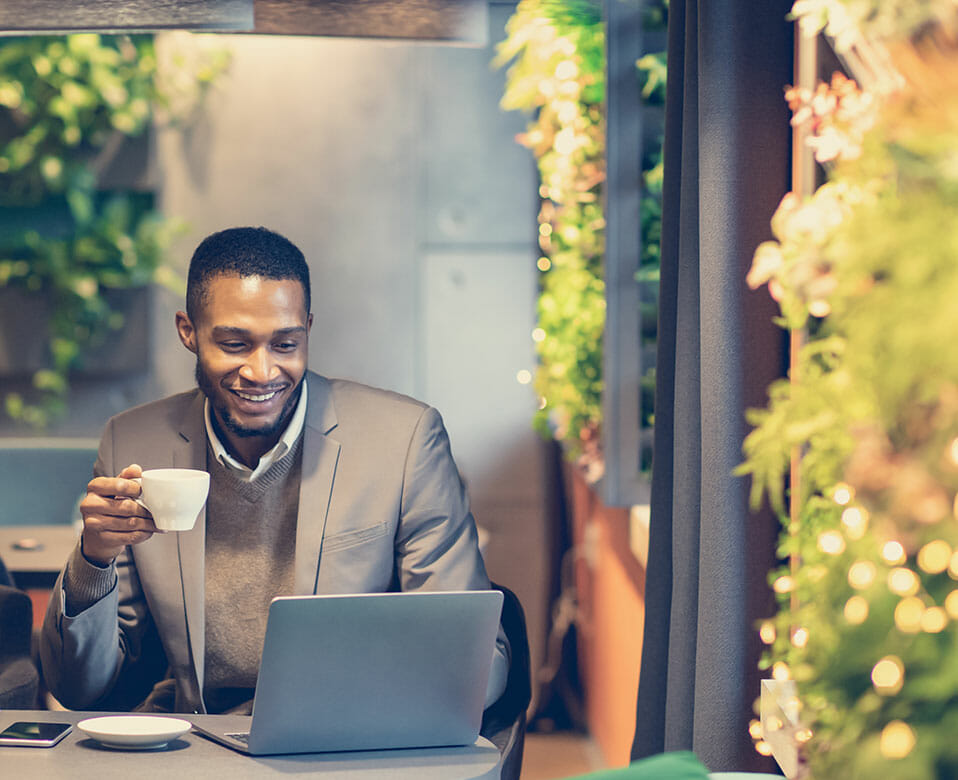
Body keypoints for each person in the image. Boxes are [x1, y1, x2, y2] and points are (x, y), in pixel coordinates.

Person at [39, 226, 509, 716]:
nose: (263, 372)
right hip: (200, 740)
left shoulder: (404, 441)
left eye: (286, 344)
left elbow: (480, 665)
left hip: (348, 741)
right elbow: (80, 689)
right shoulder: (133, 442)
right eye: (235, 344)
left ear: (307, 328)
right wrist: (94, 559)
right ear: (188, 332)